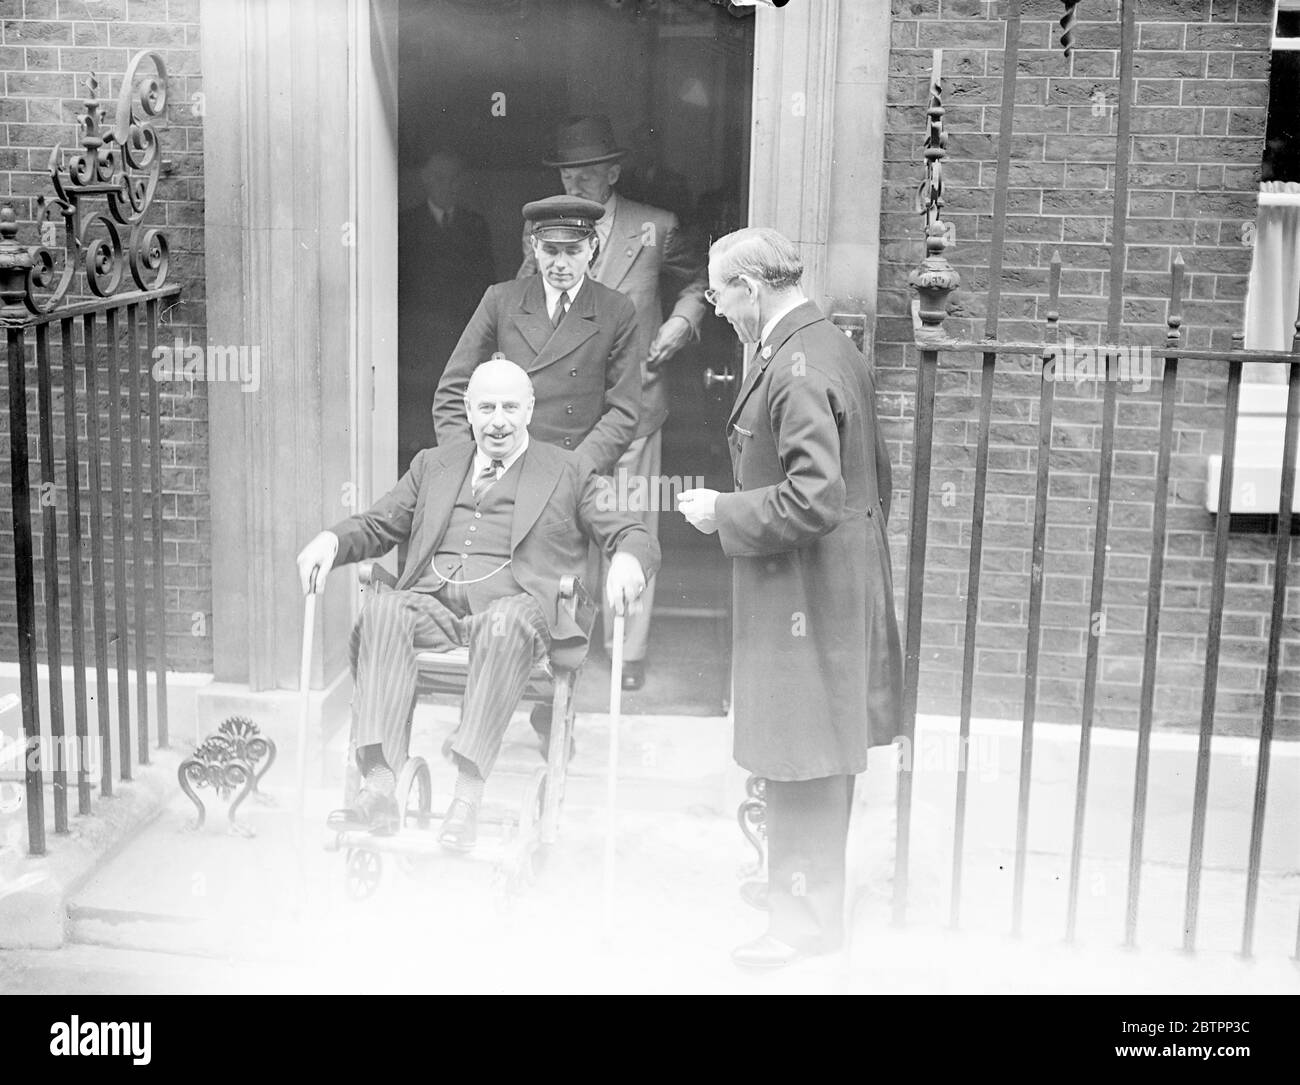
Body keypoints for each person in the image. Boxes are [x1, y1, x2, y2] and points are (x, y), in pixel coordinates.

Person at [298, 359, 658, 851]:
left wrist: (628, 563)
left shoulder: (568, 470)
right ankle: (380, 786)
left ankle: (466, 799)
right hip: (437, 608)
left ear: (530, 409)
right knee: (383, 608)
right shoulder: (434, 465)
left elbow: (630, 532)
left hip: (517, 612)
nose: (498, 421)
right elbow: (378, 525)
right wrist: (329, 542)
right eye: (486, 407)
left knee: (503, 623)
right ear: (467, 410)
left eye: (511, 407)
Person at [678, 227, 903, 969]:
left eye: (719, 295)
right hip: (828, 580)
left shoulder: (797, 362)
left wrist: (723, 512)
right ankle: (803, 895)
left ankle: (801, 922)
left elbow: (813, 496)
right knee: (814, 746)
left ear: (753, 286)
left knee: (802, 749)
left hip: (805, 585)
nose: (719, 311)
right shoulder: (826, 345)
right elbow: (879, 481)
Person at [519, 116, 708, 691]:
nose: (571, 183)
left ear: (613, 173)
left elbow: (699, 283)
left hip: (633, 409)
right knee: (559, 530)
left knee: (626, 526)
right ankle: (558, 646)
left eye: (583, 172)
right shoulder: (544, 231)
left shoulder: (656, 226)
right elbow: (525, 303)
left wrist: (682, 322)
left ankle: (626, 651)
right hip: (559, 413)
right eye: (564, 172)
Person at [433, 195, 640, 477]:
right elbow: (452, 391)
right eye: (551, 250)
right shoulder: (501, 300)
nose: (561, 264)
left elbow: (623, 411)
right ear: (534, 246)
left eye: (573, 251)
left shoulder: (615, 310)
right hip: (505, 471)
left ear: (592, 247)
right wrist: (467, 466)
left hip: (577, 474)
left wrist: (577, 469)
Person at [398, 148, 497, 473]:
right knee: (420, 427)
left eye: (454, 178)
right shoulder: (405, 225)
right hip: (418, 345)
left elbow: (487, 288)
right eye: (439, 178)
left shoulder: (474, 225)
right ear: (425, 180)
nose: (447, 185)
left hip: (460, 341)